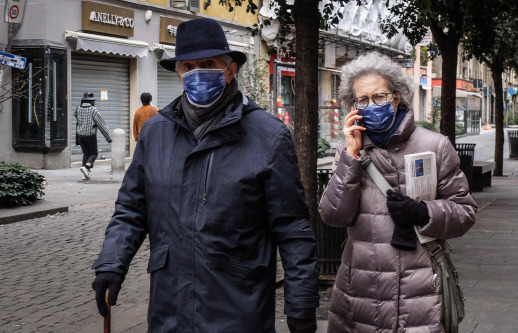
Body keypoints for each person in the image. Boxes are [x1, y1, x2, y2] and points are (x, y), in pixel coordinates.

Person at [91, 18, 319, 333]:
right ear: (180, 73)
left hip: (238, 313)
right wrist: (111, 264)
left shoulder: (268, 136)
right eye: (189, 66)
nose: (197, 73)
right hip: (169, 313)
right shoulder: (155, 132)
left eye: (208, 64)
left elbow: (293, 231)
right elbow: (131, 209)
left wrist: (301, 308)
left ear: (229, 70)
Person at [318, 52, 477, 332]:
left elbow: (464, 212)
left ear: (397, 96)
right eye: (362, 100)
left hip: (419, 292)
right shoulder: (348, 149)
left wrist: (424, 212)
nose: (371, 105)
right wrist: (352, 158)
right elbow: (333, 216)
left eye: (379, 96)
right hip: (361, 289)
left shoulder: (435, 145)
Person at [74, 92, 112, 180]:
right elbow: (101, 124)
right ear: (91, 101)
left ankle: (85, 174)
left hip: (80, 135)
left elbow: (76, 116)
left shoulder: (77, 108)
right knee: (94, 153)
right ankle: (86, 167)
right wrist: (108, 138)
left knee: (86, 154)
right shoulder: (93, 110)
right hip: (90, 135)